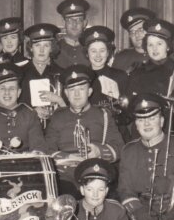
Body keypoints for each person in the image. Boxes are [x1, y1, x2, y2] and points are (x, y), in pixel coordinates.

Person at [45, 64, 124, 197]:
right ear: (66, 93)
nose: (76, 94)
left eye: (81, 89)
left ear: (89, 92)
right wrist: (68, 158)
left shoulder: (103, 115)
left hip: (96, 175)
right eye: (72, 90)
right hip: (65, 177)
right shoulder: (58, 116)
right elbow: (47, 149)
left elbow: (120, 148)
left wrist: (99, 151)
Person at [0, 63, 47, 158]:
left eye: (12, 88)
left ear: (19, 92)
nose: (7, 92)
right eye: (2, 88)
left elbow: (39, 147)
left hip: (25, 168)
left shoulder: (29, 115)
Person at [128, 19, 174, 118]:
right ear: (146, 47)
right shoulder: (137, 73)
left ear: (168, 47)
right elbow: (130, 107)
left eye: (159, 44)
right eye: (150, 44)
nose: (154, 49)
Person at [79, 25, 130, 134]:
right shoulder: (80, 77)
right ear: (87, 53)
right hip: (87, 131)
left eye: (102, 50)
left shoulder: (120, 76)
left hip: (116, 132)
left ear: (108, 52)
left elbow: (128, 112)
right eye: (93, 51)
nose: (98, 55)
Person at [20, 23, 65, 123]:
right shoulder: (20, 72)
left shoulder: (61, 73)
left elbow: (69, 109)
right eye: (37, 45)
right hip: (26, 129)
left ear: (52, 48)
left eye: (46, 45)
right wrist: (32, 112)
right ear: (31, 48)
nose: (41, 50)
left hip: (55, 129)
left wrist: (59, 100)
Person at [112, 8, 156, 74]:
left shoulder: (160, 55)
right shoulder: (121, 59)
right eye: (132, 32)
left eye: (140, 29)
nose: (137, 35)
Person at [54, 0, 91, 68]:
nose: (74, 24)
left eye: (79, 20)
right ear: (63, 23)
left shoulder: (92, 48)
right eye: (70, 20)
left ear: (85, 23)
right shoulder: (54, 48)